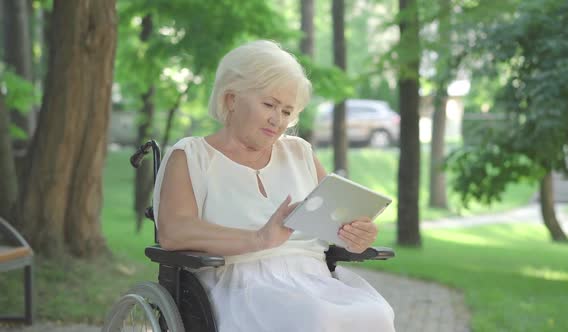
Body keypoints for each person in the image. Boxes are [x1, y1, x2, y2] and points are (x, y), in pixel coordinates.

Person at [153, 40, 395, 332]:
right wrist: (259, 238)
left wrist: (357, 234)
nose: (277, 120)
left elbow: (336, 221)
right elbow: (174, 232)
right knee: (318, 319)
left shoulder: (300, 153)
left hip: (314, 278)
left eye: (286, 111)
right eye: (269, 104)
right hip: (238, 283)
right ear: (231, 99)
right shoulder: (191, 156)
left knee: (376, 313)